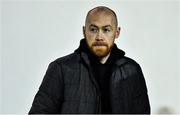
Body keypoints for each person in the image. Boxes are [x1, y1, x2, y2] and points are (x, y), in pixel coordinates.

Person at [29, 6, 150, 114]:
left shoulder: (132, 70)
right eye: (93, 29)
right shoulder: (61, 68)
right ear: (84, 31)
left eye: (106, 30)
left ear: (117, 32)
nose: (99, 37)